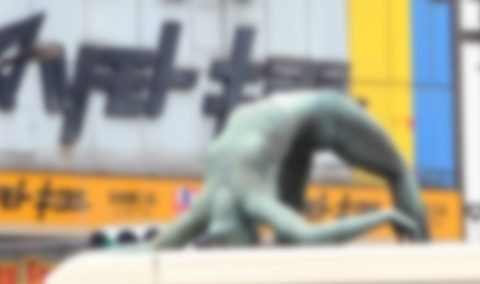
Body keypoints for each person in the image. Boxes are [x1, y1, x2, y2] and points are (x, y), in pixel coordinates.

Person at [154, 91, 428, 248]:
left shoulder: (251, 198)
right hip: (282, 127)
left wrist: (386, 216)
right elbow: (148, 250)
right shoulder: (204, 208)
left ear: (250, 229)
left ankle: (425, 255)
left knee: (398, 171)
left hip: (324, 113)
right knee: (289, 243)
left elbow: (313, 237)